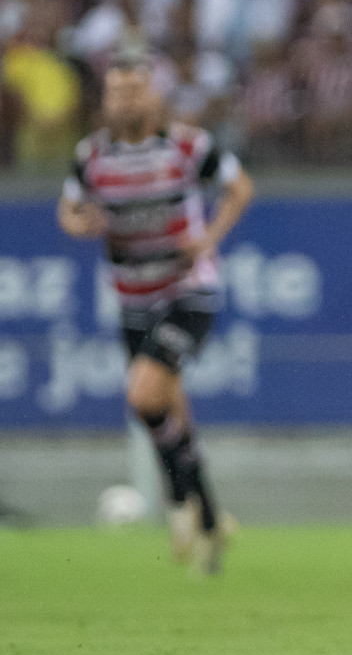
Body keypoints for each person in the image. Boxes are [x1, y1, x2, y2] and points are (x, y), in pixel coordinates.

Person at [57, 49, 253, 574]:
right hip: (132, 297)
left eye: (135, 90)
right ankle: (209, 518)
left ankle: (178, 505)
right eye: (116, 91)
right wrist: (81, 224)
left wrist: (208, 238)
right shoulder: (92, 155)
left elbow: (239, 187)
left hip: (187, 289)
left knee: (145, 393)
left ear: (154, 95)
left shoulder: (188, 145)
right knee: (164, 406)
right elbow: (70, 207)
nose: (125, 100)